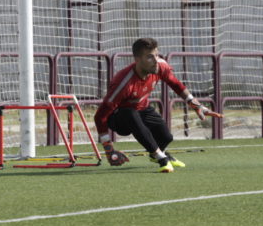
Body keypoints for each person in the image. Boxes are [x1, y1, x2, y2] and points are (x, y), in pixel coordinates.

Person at [95, 37, 222, 173]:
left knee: (166, 137)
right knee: (129, 113)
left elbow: (176, 84)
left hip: (143, 108)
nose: (156, 60)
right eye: (150, 57)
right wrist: (109, 150)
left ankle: (155, 154)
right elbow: (100, 117)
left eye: (156, 55)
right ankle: (161, 158)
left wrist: (196, 105)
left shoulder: (160, 66)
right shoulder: (123, 83)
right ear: (137, 60)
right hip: (119, 118)